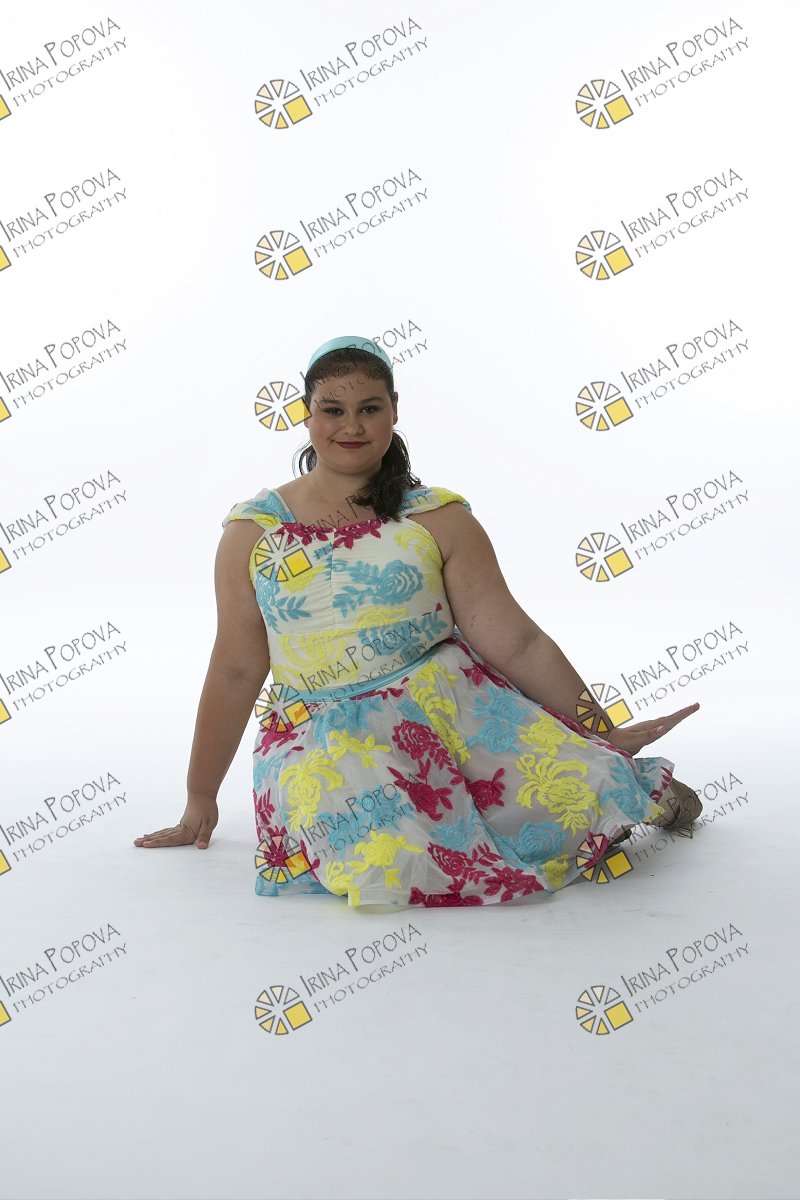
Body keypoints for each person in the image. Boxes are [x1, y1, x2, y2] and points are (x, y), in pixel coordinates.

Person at [134, 335, 703, 907]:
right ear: (306, 414)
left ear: (394, 409)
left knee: (581, 795)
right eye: (332, 409)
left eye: (369, 408)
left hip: (450, 711)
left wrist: (600, 731)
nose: (351, 426)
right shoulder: (255, 532)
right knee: (388, 863)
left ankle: (633, 788)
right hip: (324, 739)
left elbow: (519, 642)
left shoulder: (436, 518)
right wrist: (199, 796)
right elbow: (235, 668)